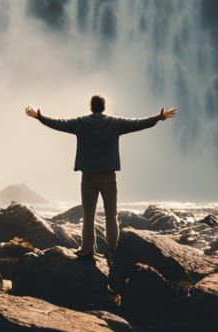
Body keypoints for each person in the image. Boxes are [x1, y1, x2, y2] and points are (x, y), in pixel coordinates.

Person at [25, 94, 177, 259]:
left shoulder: (81, 123)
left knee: (88, 216)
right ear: (104, 107)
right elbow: (138, 124)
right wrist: (159, 117)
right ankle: (113, 251)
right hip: (108, 177)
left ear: (91, 107)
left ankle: (87, 250)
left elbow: (59, 124)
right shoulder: (114, 123)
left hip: (88, 177)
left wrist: (39, 117)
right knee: (111, 215)